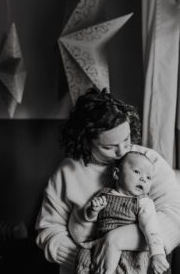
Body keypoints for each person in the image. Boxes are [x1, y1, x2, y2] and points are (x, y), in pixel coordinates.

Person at [35, 87, 180, 274]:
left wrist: (117, 240)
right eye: (109, 147)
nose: (122, 152)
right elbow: (48, 231)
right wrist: (91, 262)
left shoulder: (148, 161)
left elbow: (175, 215)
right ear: (85, 141)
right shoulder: (67, 172)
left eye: (126, 139)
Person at [70, 151, 170, 274]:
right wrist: (93, 211)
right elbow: (90, 220)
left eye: (149, 177)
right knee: (82, 257)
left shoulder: (144, 202)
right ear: (117, 173)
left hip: (128, 253)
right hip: (98, 246)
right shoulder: (104, 194)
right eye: (137, 172)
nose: (143, 179)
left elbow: (151, 227)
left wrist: (157, 253)